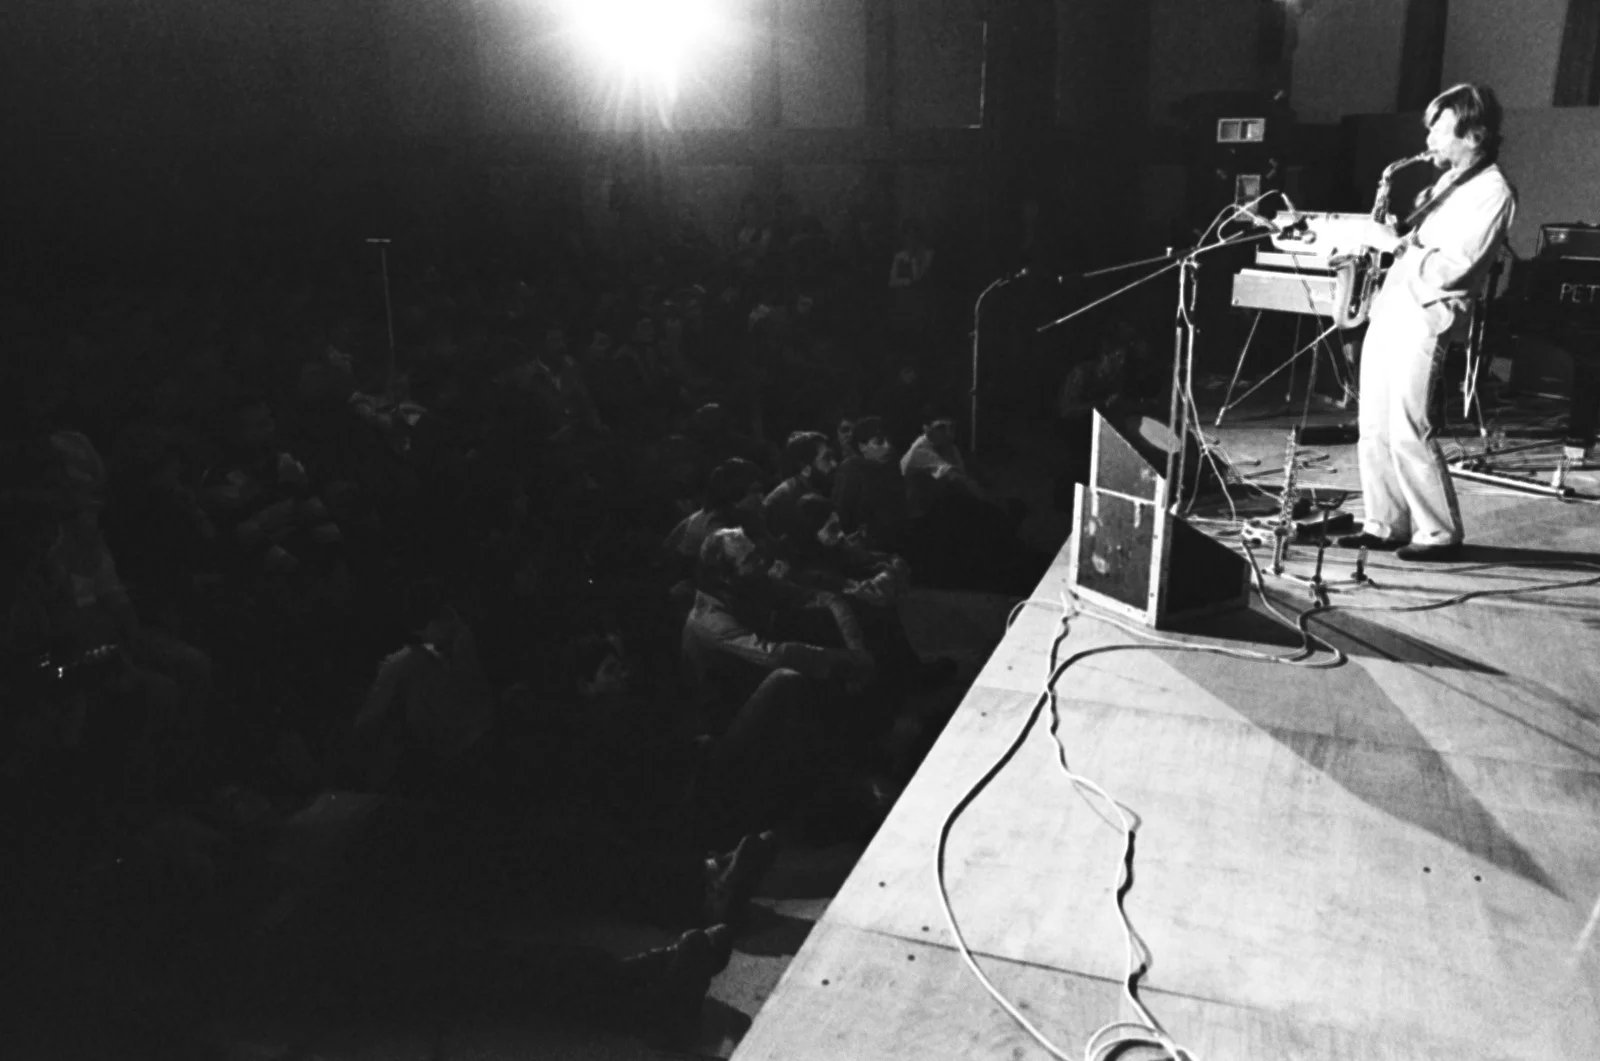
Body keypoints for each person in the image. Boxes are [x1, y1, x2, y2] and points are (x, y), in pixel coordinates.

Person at [1339, 83, 1516, 562]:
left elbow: (1454, 268)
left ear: (1473, 135)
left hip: (1427, 313)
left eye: (1439, 129)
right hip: (1393, 306)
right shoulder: (1446, 184)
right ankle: (1384, 523)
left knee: (1407, 426)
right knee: (1374, 424)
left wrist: (1395, 245)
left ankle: (1438, 532)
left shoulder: (1492, 191)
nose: (1429, 139)